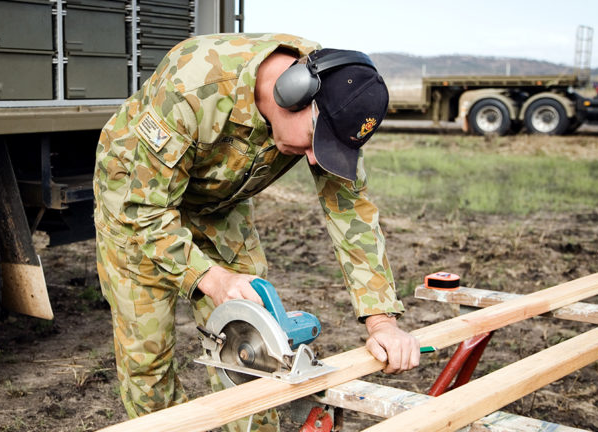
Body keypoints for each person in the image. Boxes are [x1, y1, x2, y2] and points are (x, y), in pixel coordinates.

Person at [93, 33, 420, 431]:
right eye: (314, 142)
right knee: (148, 359)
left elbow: (352, 212)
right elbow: (143, 209)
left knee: (258, 350)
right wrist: (212, 279)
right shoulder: (192, 85)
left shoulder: (338, 100)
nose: (314, 159)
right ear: (292, 93)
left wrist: (382, 322)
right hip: (137, 198)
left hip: (219, 206)